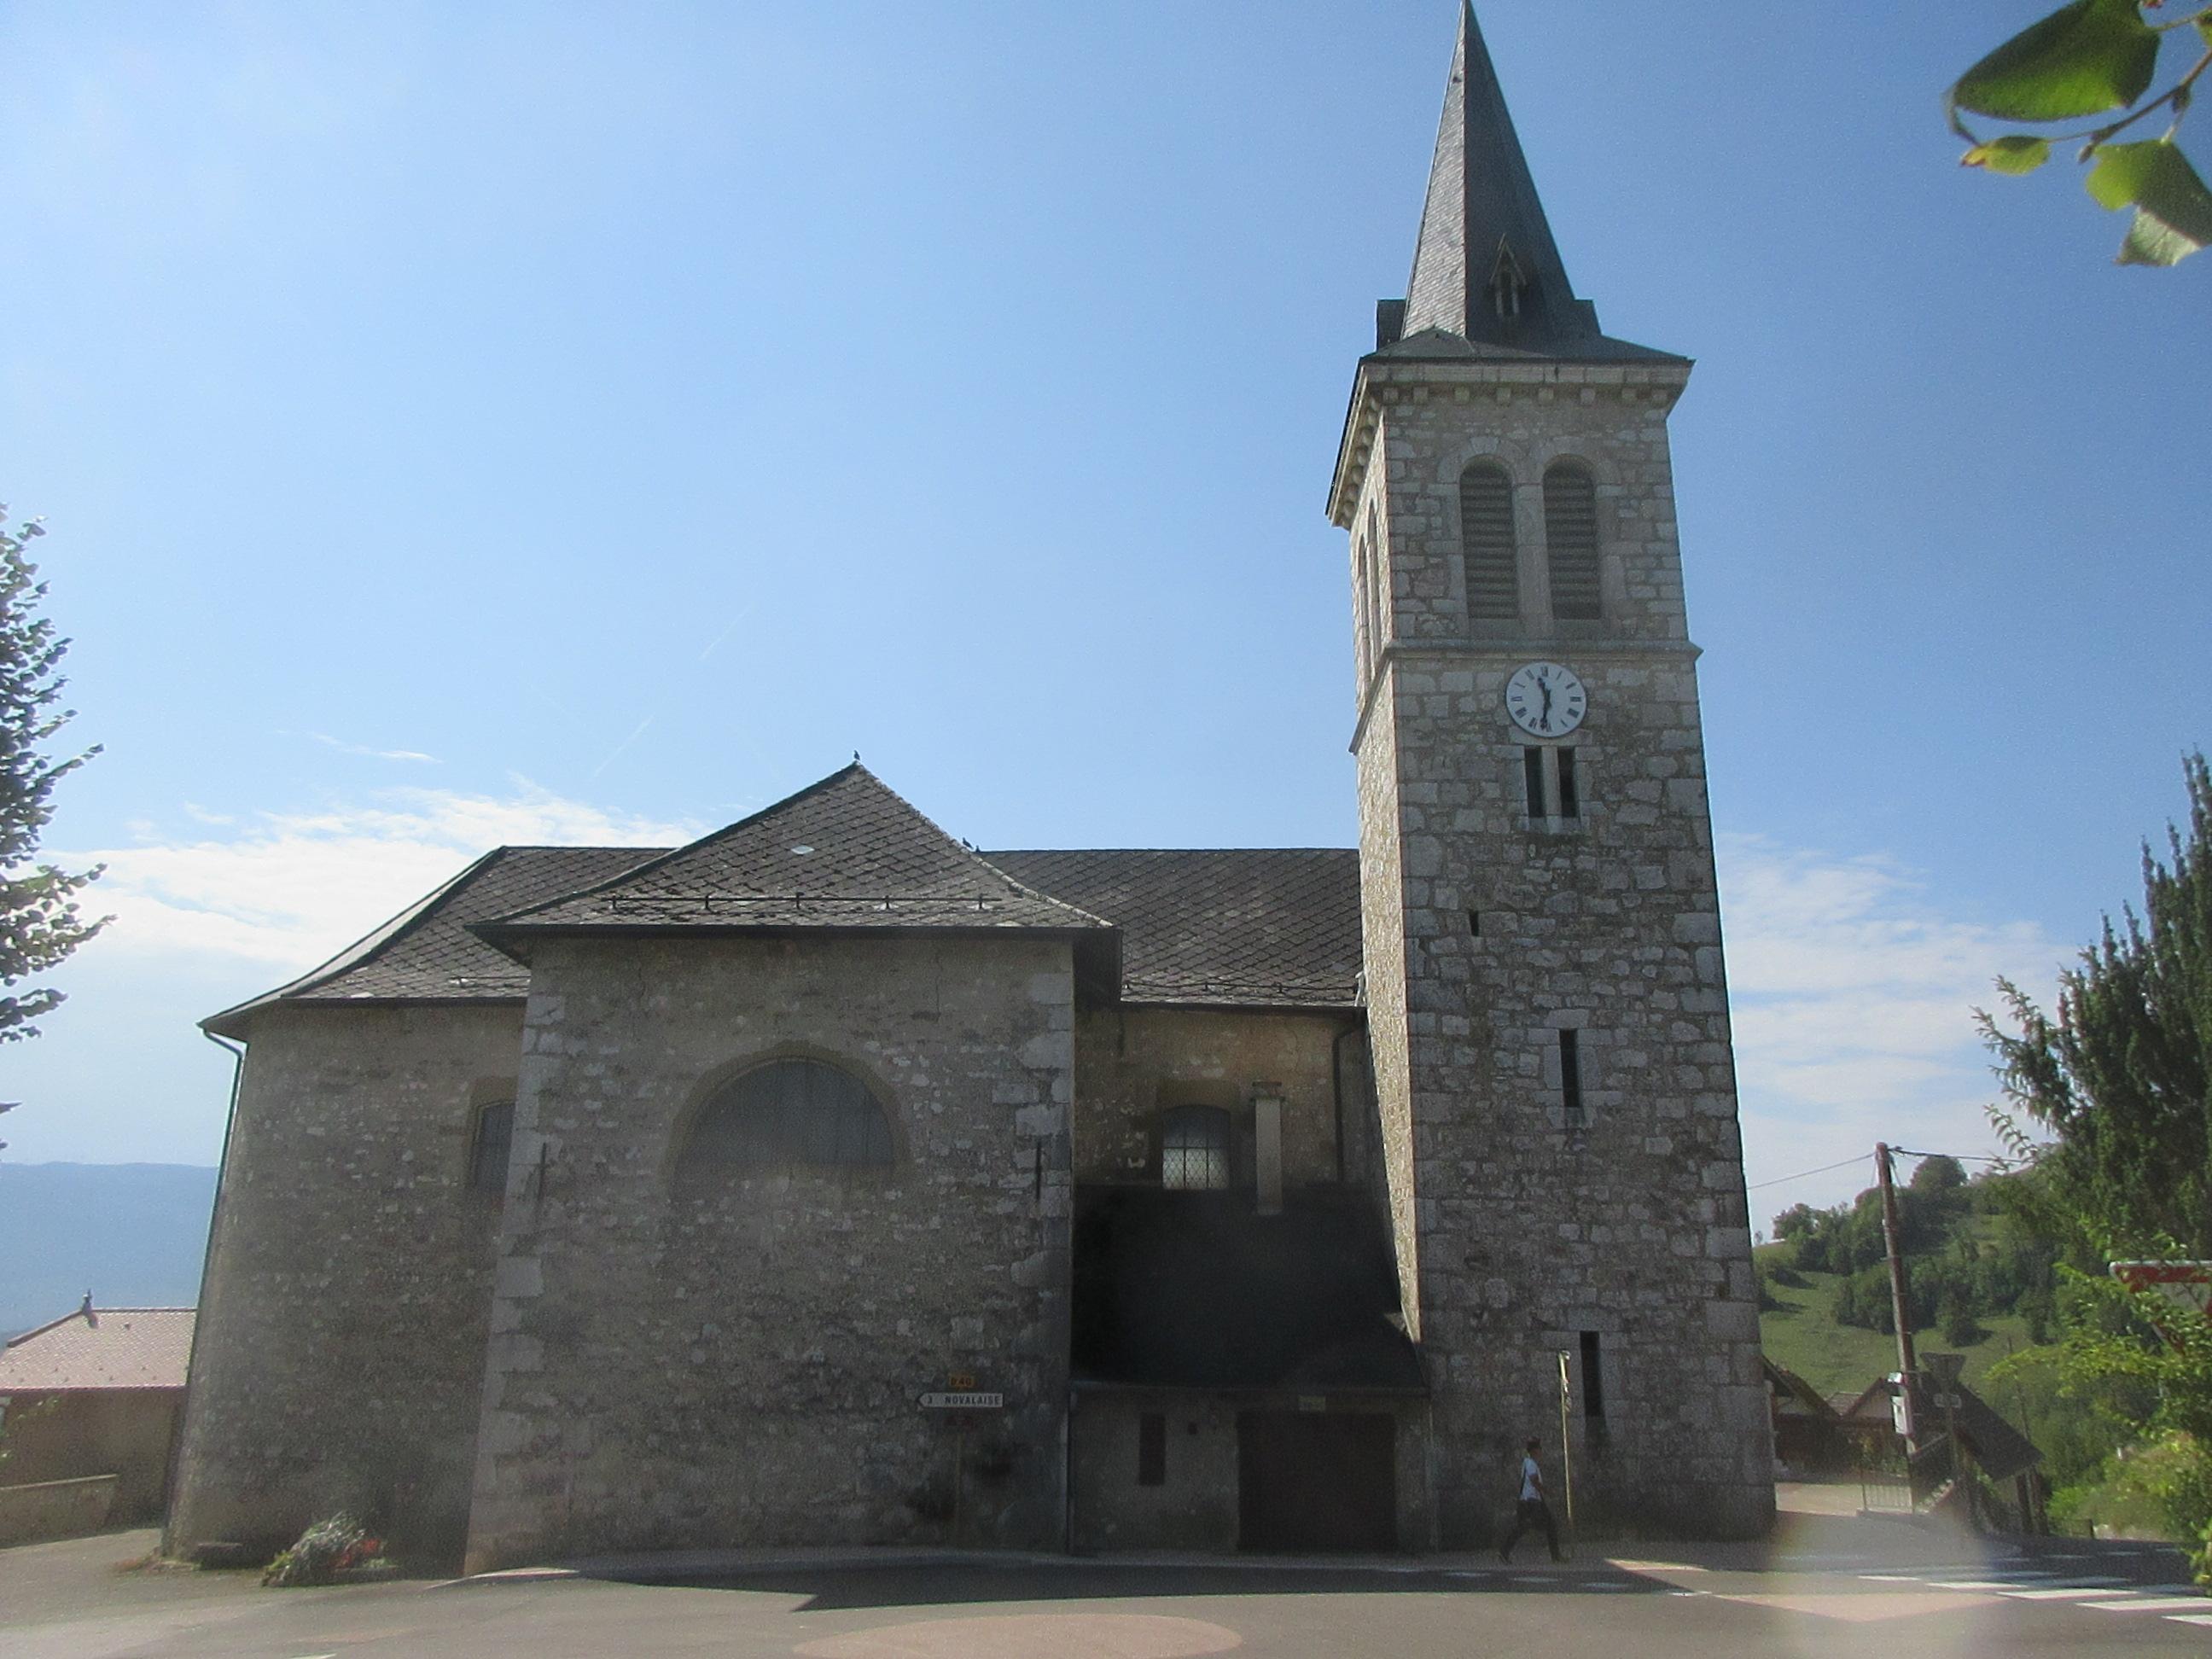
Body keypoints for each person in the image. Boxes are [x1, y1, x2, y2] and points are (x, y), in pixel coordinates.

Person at [1499, 1436, 1563, 1563]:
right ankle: (1555, 1556)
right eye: (1539, 1449)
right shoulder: (1530, 1463)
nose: (1541, 1451)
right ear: (1534, 1450)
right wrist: (1547, 1491)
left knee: (1526, 1528)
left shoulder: (1528, 1463)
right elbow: (1534, 1481)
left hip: (1530, 1501)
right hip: (1532, 1502)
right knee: (1546, 1525)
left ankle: (1504, 1551)